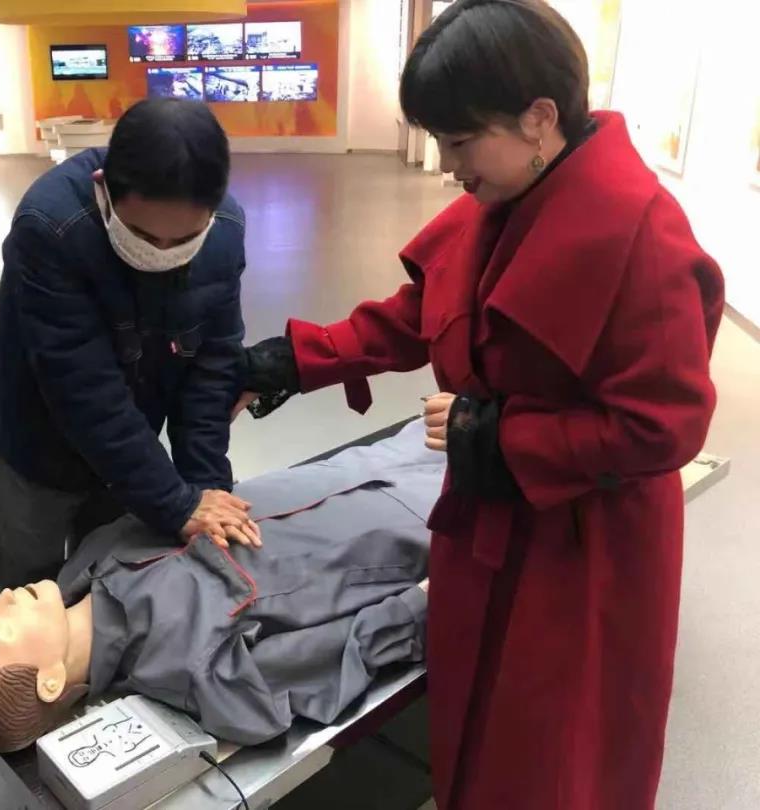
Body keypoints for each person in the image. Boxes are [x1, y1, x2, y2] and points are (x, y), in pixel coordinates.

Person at [238, 1, 725, 808]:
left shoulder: (641, 234)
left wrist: (505, 436)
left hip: (583, 547)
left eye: (460, 142)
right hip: (489, 514)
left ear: (539, 118)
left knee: (550, 750)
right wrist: (289, 361)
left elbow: (665, 423)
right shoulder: (506, 194)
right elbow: (418, 314)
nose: (448, 166)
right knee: (475, 724)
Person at [0, 420, 436, 752]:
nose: (6, 597)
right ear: (49, 681)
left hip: (356, 469)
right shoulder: (191, 667)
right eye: (3, 627)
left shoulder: (89, 559)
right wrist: (423, 604)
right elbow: (334, 657)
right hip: (414, 525)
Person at [0, 98, 259, 592]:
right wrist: (176, 503)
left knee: (109, 582)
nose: (161, 253)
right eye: (140, 234)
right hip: (42, 448)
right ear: (104, 188)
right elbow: (83, 389)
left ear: (213, 208)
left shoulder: (226, 231)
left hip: (133, 445)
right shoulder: (49, 228)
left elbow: (212, 367)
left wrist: (205, 489)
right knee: (29, 589)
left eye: (184, 240)